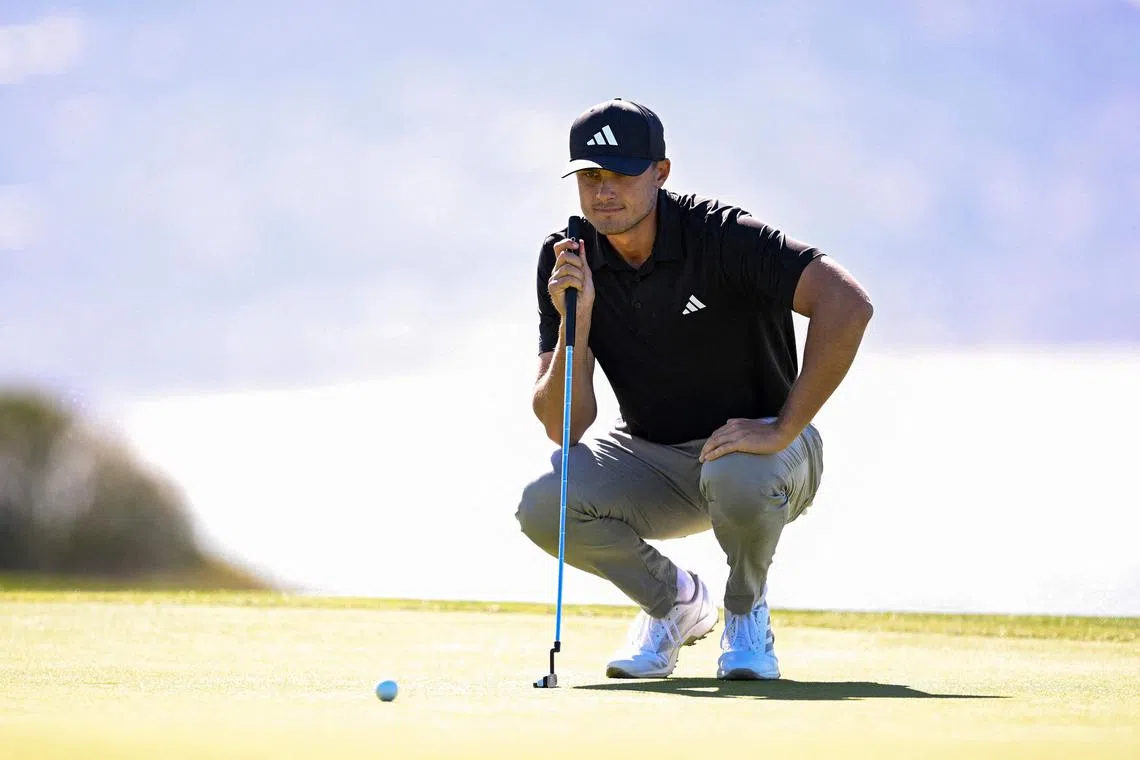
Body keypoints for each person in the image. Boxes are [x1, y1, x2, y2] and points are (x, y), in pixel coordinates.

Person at [516, 98, 873, 680]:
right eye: (590, 175)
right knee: (543, 505)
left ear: (661, 173)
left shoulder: (722, 237)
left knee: (739, 471)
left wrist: (783, 426)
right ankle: (674, 605)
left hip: (765, 456)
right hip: (654, 458)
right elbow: (565, 424)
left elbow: (847, 303)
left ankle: (745, 611)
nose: (603, 191)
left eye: (621, 174)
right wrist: (574, 328)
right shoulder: (567, 260)